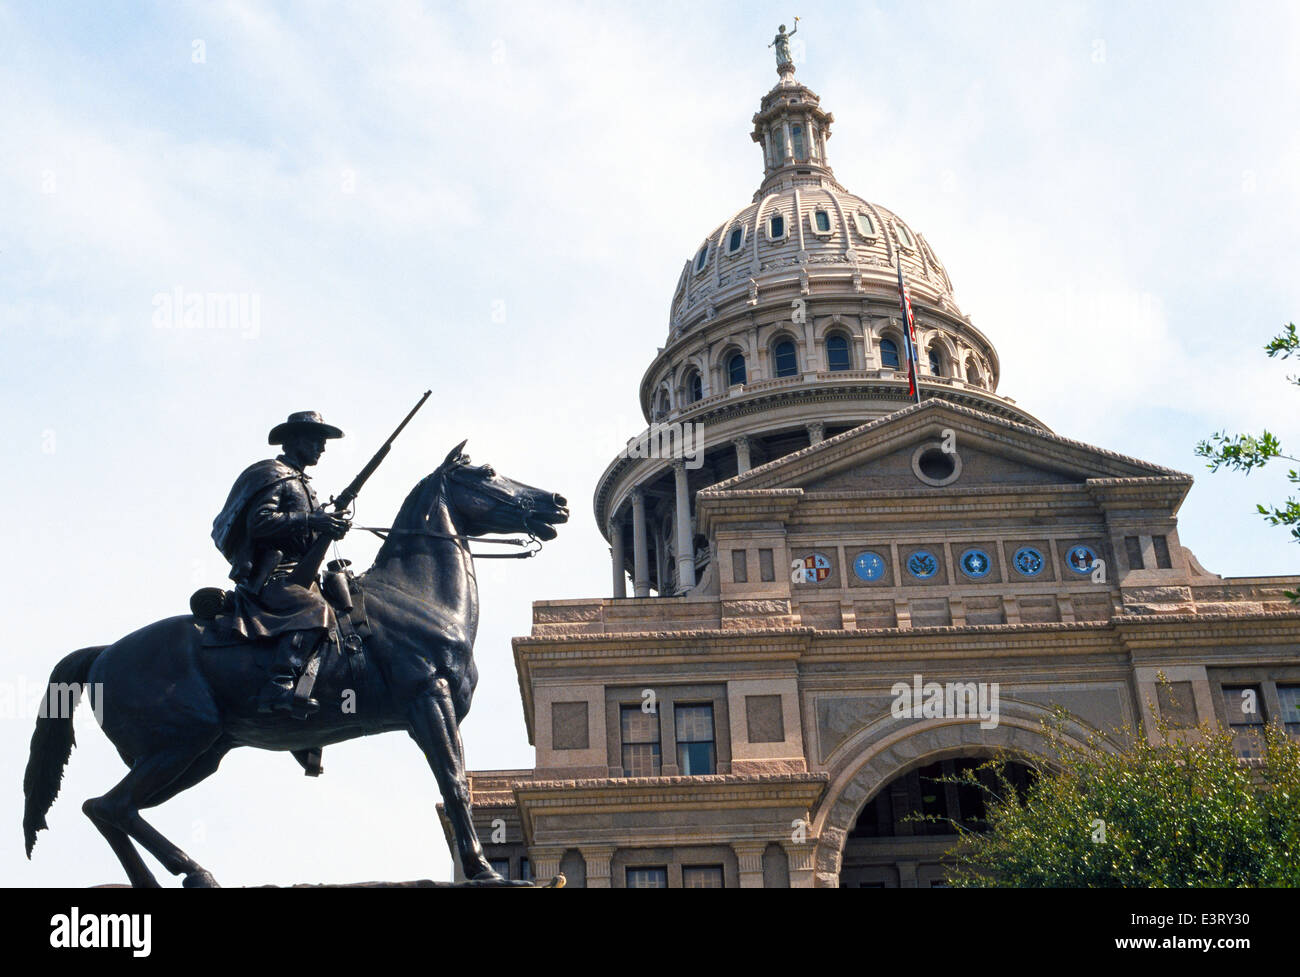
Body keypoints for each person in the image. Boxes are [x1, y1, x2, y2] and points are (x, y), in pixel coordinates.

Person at [210, 411, 351, 717]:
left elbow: (305, 537)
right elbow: (259, 523)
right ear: (295, 440)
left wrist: (329, 527)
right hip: (273, 577)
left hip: (304, 573)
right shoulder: (275, 475)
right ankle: (279, 683)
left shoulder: (303, 483)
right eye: (316, 440)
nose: (322, 448)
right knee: (315, 610)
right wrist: (313, 518)